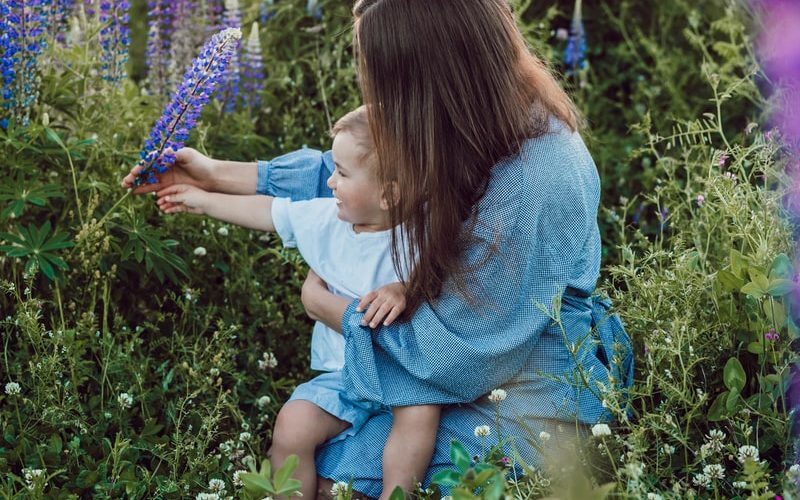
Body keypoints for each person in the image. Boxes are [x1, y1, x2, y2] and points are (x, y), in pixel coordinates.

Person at [123, 0, 633, 497]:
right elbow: (365, 173)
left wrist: (330, 309)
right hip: (455, 354)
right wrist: (216, 175)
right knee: (311, 453)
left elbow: (458, 354)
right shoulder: (482, 121)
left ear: (431, 82)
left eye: (383, 81)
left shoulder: (534, 181)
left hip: (523, 386)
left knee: (336, 480)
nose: (371, 92)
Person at [135, 107, 442, 499]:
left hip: (404, 374)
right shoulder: (328, 220)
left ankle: (397, 495)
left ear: (390, 194)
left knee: (418, 416)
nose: (329, 181)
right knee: (292, 424)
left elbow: (446, 275)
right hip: (343, 376)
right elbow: (270, 211)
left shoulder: (425, 232)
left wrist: (405, 287)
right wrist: (200, 199)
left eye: (342, 173)